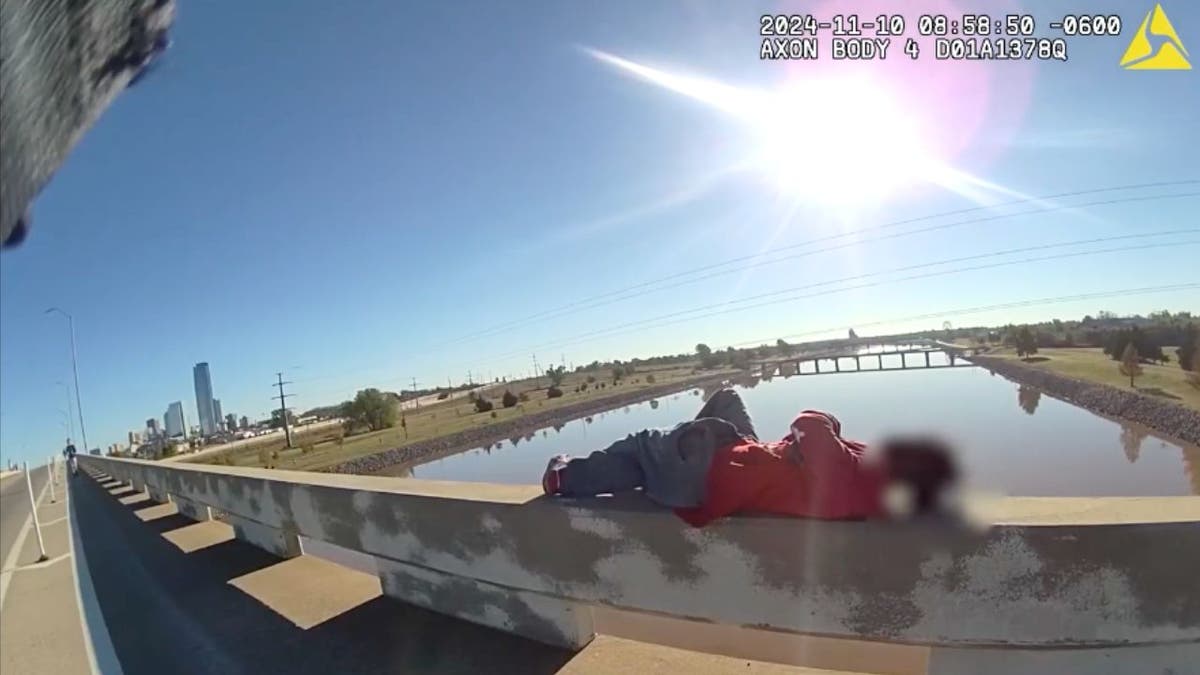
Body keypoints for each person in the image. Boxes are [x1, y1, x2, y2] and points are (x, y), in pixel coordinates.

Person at [542, 388, 958, 526]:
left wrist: (830, 422)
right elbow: (797, 453)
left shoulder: (851, 475)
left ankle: (565, 477)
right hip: (745, 465)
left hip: (713, 475)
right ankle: (685, 440)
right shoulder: (867, 492)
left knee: (640, 445)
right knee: (728, 399)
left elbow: (809, 422)